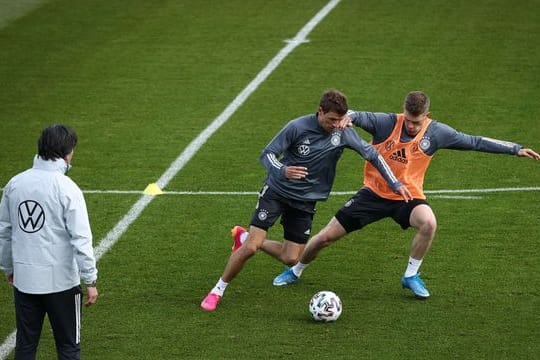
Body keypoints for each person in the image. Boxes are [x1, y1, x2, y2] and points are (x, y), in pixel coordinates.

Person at [273, 90, 540, 298]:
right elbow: (356, 114)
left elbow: (474, 142)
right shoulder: (386, 122)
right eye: (409, 121)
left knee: (429, 223)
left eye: (418, 122)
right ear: (403, 112)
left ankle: (411, 275)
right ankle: (295, 270)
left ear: (427, 115)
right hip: (373, 194)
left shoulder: (437, 133)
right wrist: (346, 118)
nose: (412, 126)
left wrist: (515, 148)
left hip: (407, 197)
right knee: (323, 239)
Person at [201, 89, 412, 311]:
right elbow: (267, 154)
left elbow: (373, 155)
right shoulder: (297, 127)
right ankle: (218, 290)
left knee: (291, 258)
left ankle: (244, 236)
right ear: (319, 111)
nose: (336, 124)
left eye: (340, 119)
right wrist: (283, 170)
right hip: (277, 192)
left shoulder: (343, 131)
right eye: (331, 119)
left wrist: (395, 183)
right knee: (251, 248)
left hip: (305, 202)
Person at [0, 124, 98, 359]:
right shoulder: (67, 188)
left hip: (25, 282)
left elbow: (4, 232)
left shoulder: (15, 184)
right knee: (68, 348)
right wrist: (90, 279)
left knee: (25, 346)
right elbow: (81, 238)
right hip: (61, 284)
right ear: (67, 152)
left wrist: (9, 268)